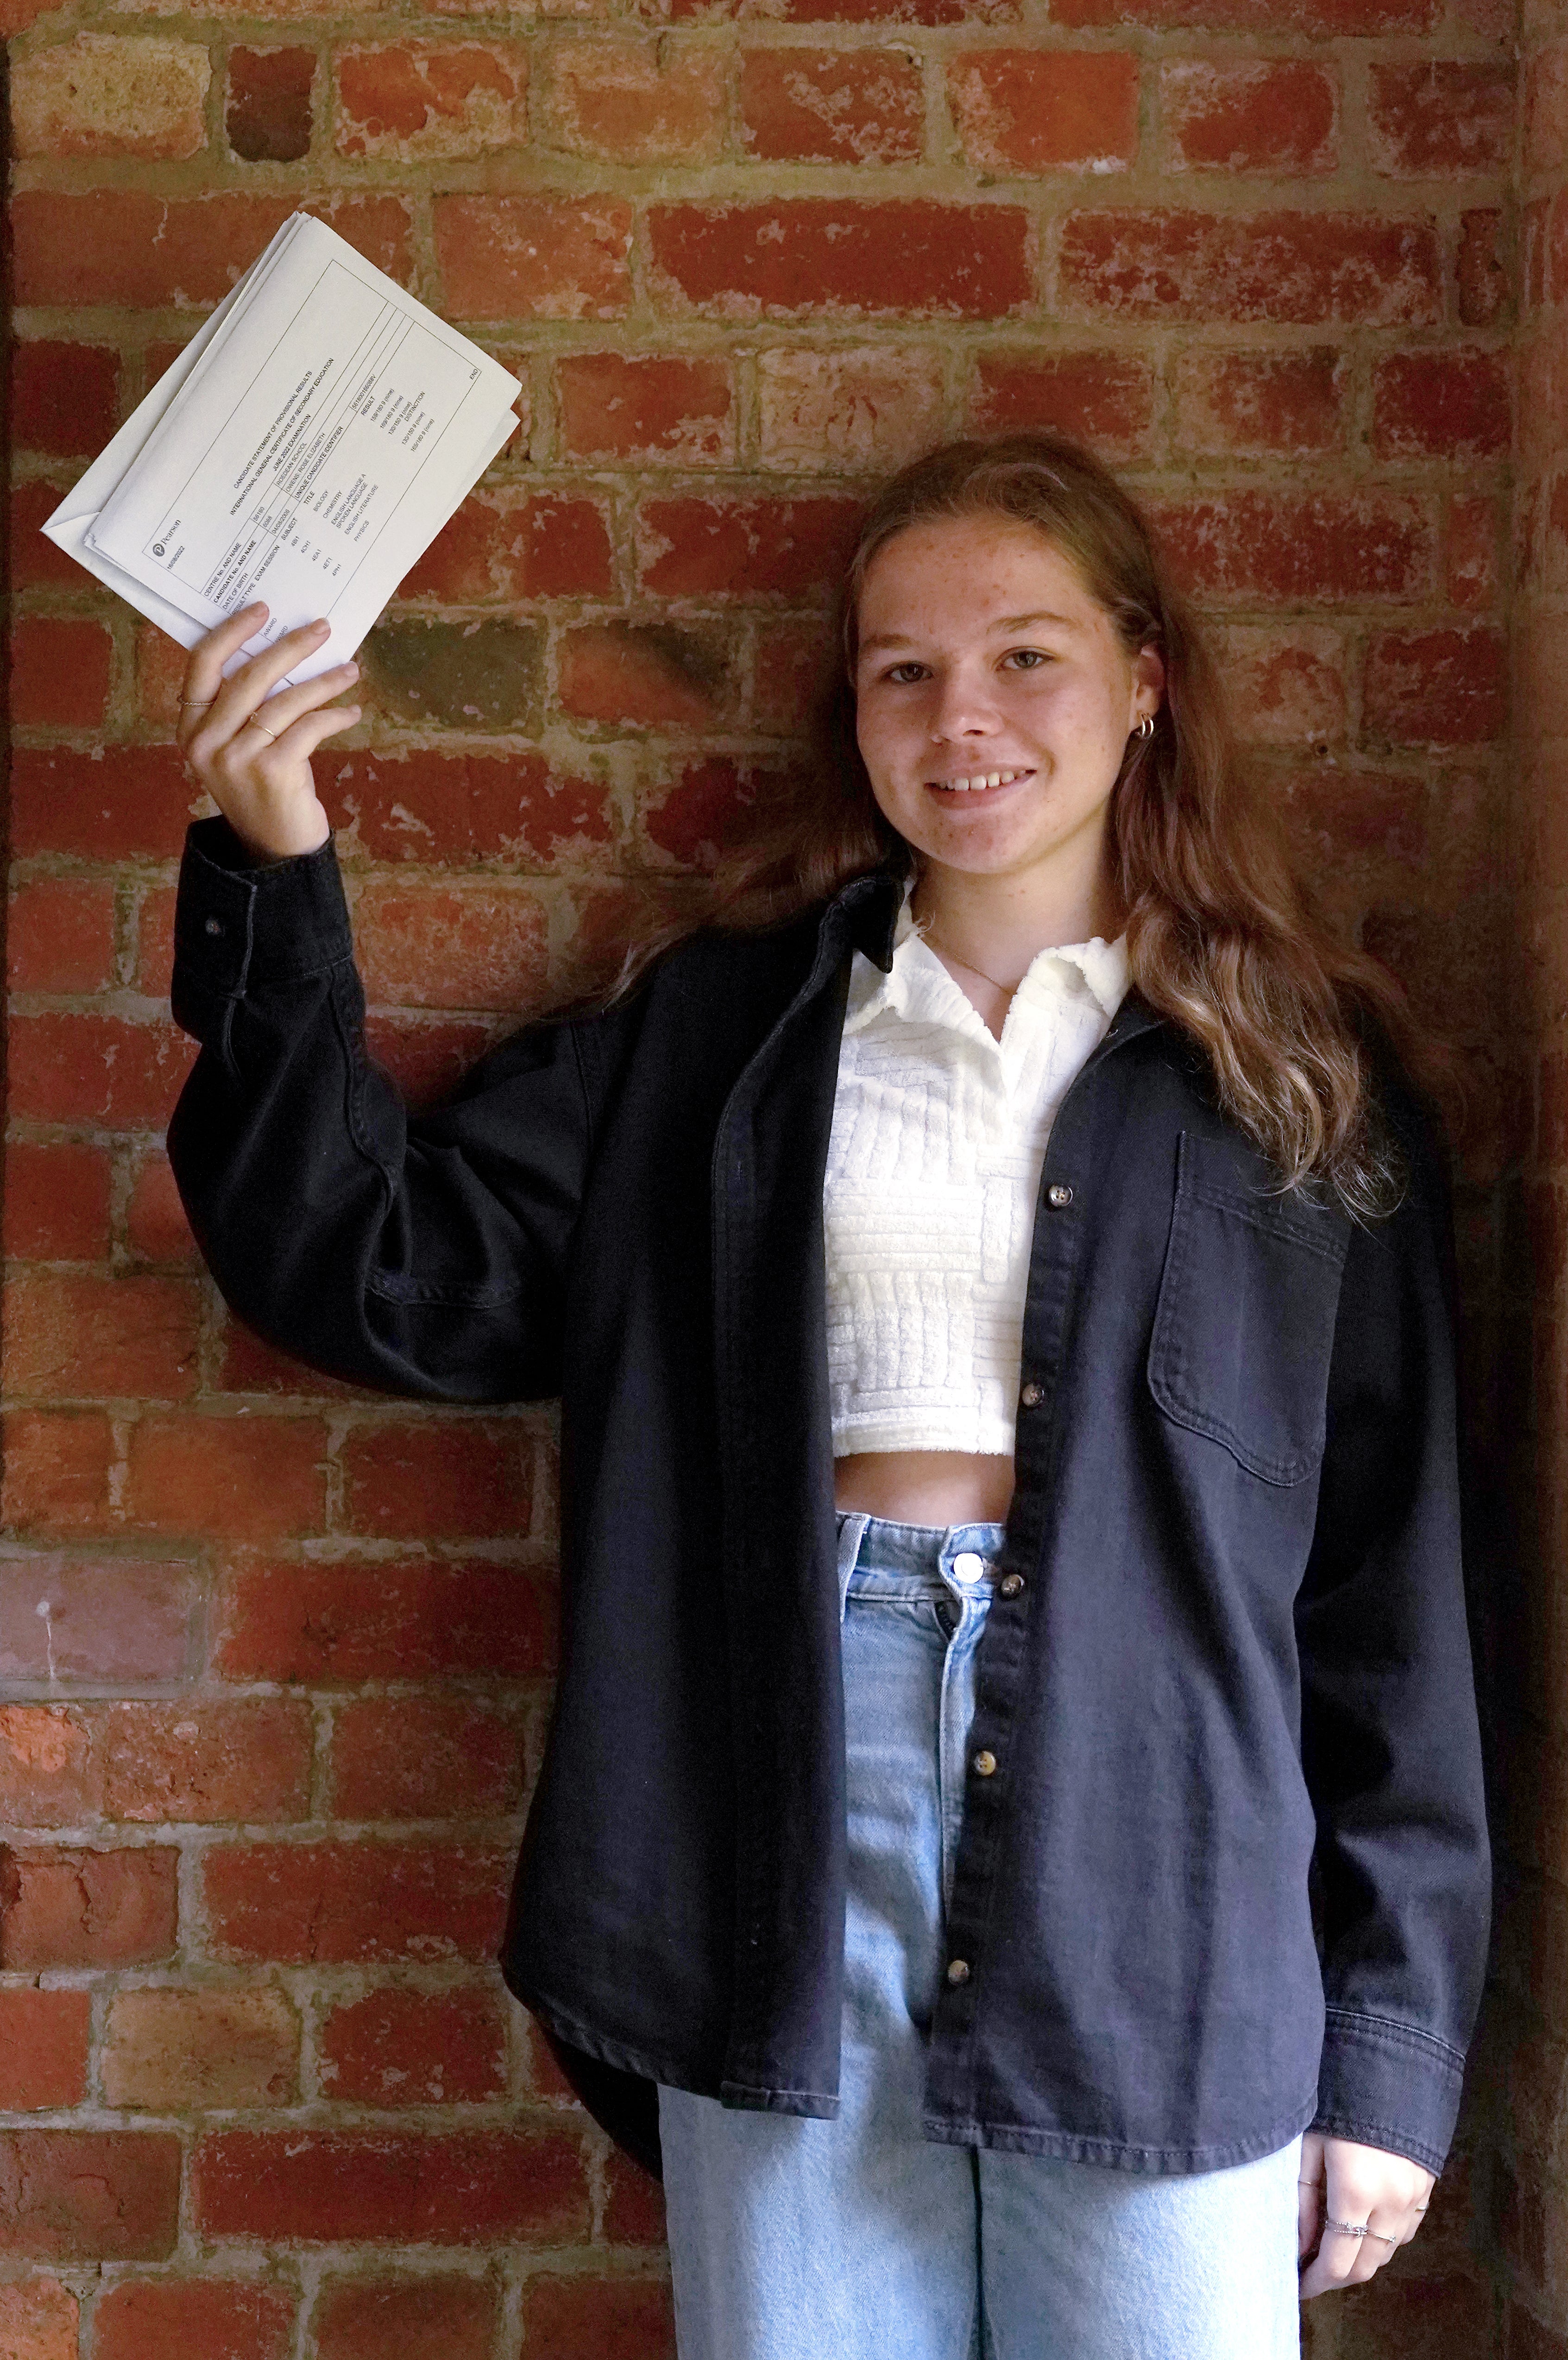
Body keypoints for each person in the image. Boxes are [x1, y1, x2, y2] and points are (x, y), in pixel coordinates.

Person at [164, 434, 1489, 2359]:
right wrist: (272, 845)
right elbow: (378, 1265)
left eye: (1025, 656)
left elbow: (1387, 1587)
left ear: (1146, 680)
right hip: (776, 1821)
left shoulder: (1294, 1077)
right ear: (850, 709)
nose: (963, 718)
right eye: (902, 670)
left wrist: (1386, 2046)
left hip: (1165, 1876)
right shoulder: (725, 1038)